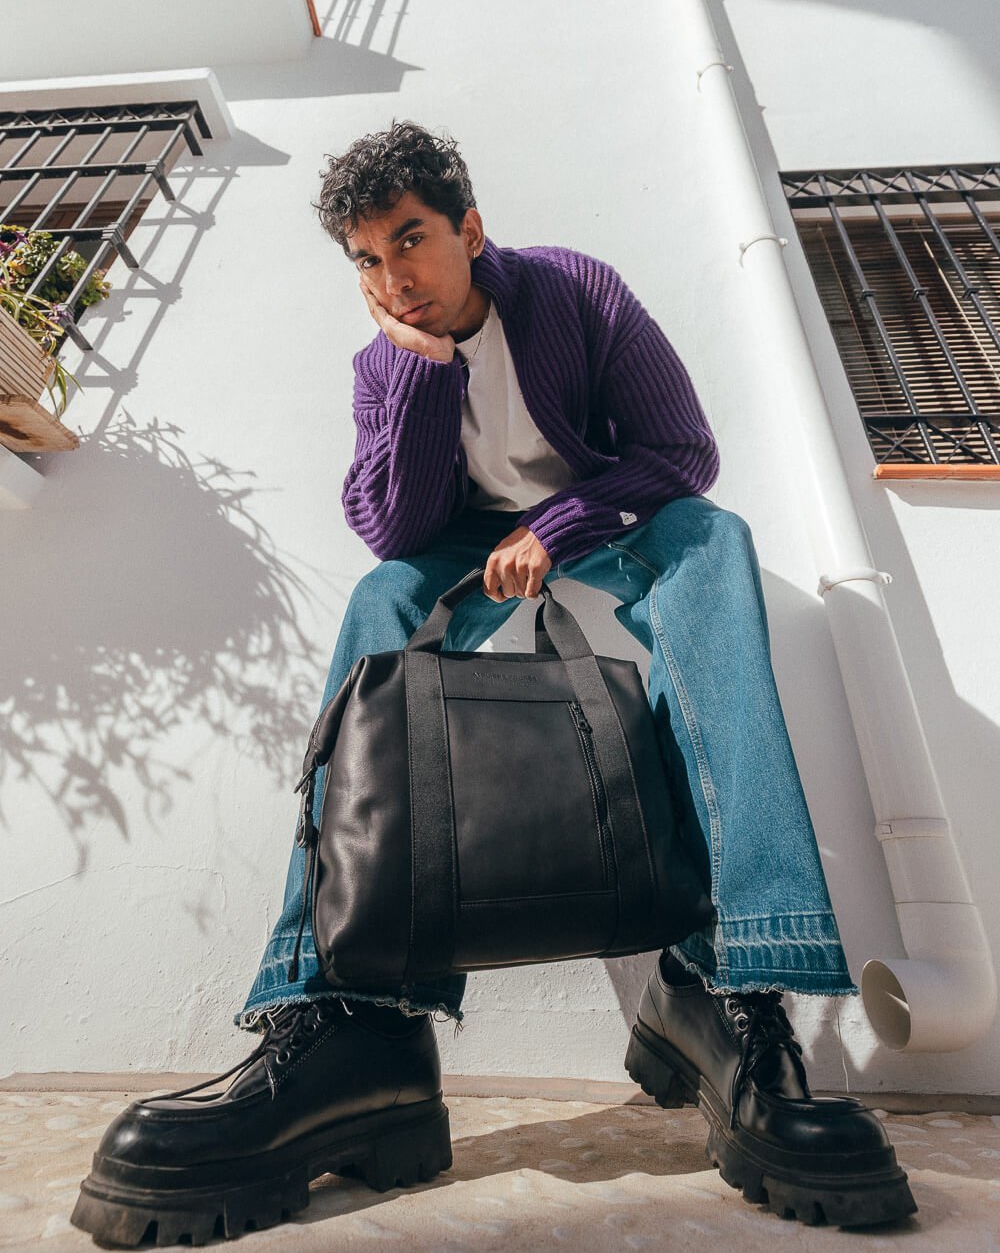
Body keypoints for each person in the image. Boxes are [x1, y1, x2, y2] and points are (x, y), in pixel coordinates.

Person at [72, 122, 916, 1247]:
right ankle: (340, 1009)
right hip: (467, 546)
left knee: (712, 540)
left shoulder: (576, 293)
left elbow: (682, 455)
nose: (393, 276)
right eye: (367, 259)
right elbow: (394, 527)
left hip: (611, 518)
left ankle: (741, 984)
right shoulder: (383, 362)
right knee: (383, 601)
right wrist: (420, 376)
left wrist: (558, 527)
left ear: (469, 228)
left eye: (410, 239)